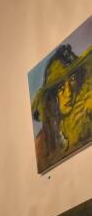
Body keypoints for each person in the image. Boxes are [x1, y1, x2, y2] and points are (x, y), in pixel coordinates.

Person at [31, 43, 92, 172]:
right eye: (60, 87)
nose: (68, 92)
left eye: (73, 79)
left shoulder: (86, 116)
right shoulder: (42, 144)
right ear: (51, 97)